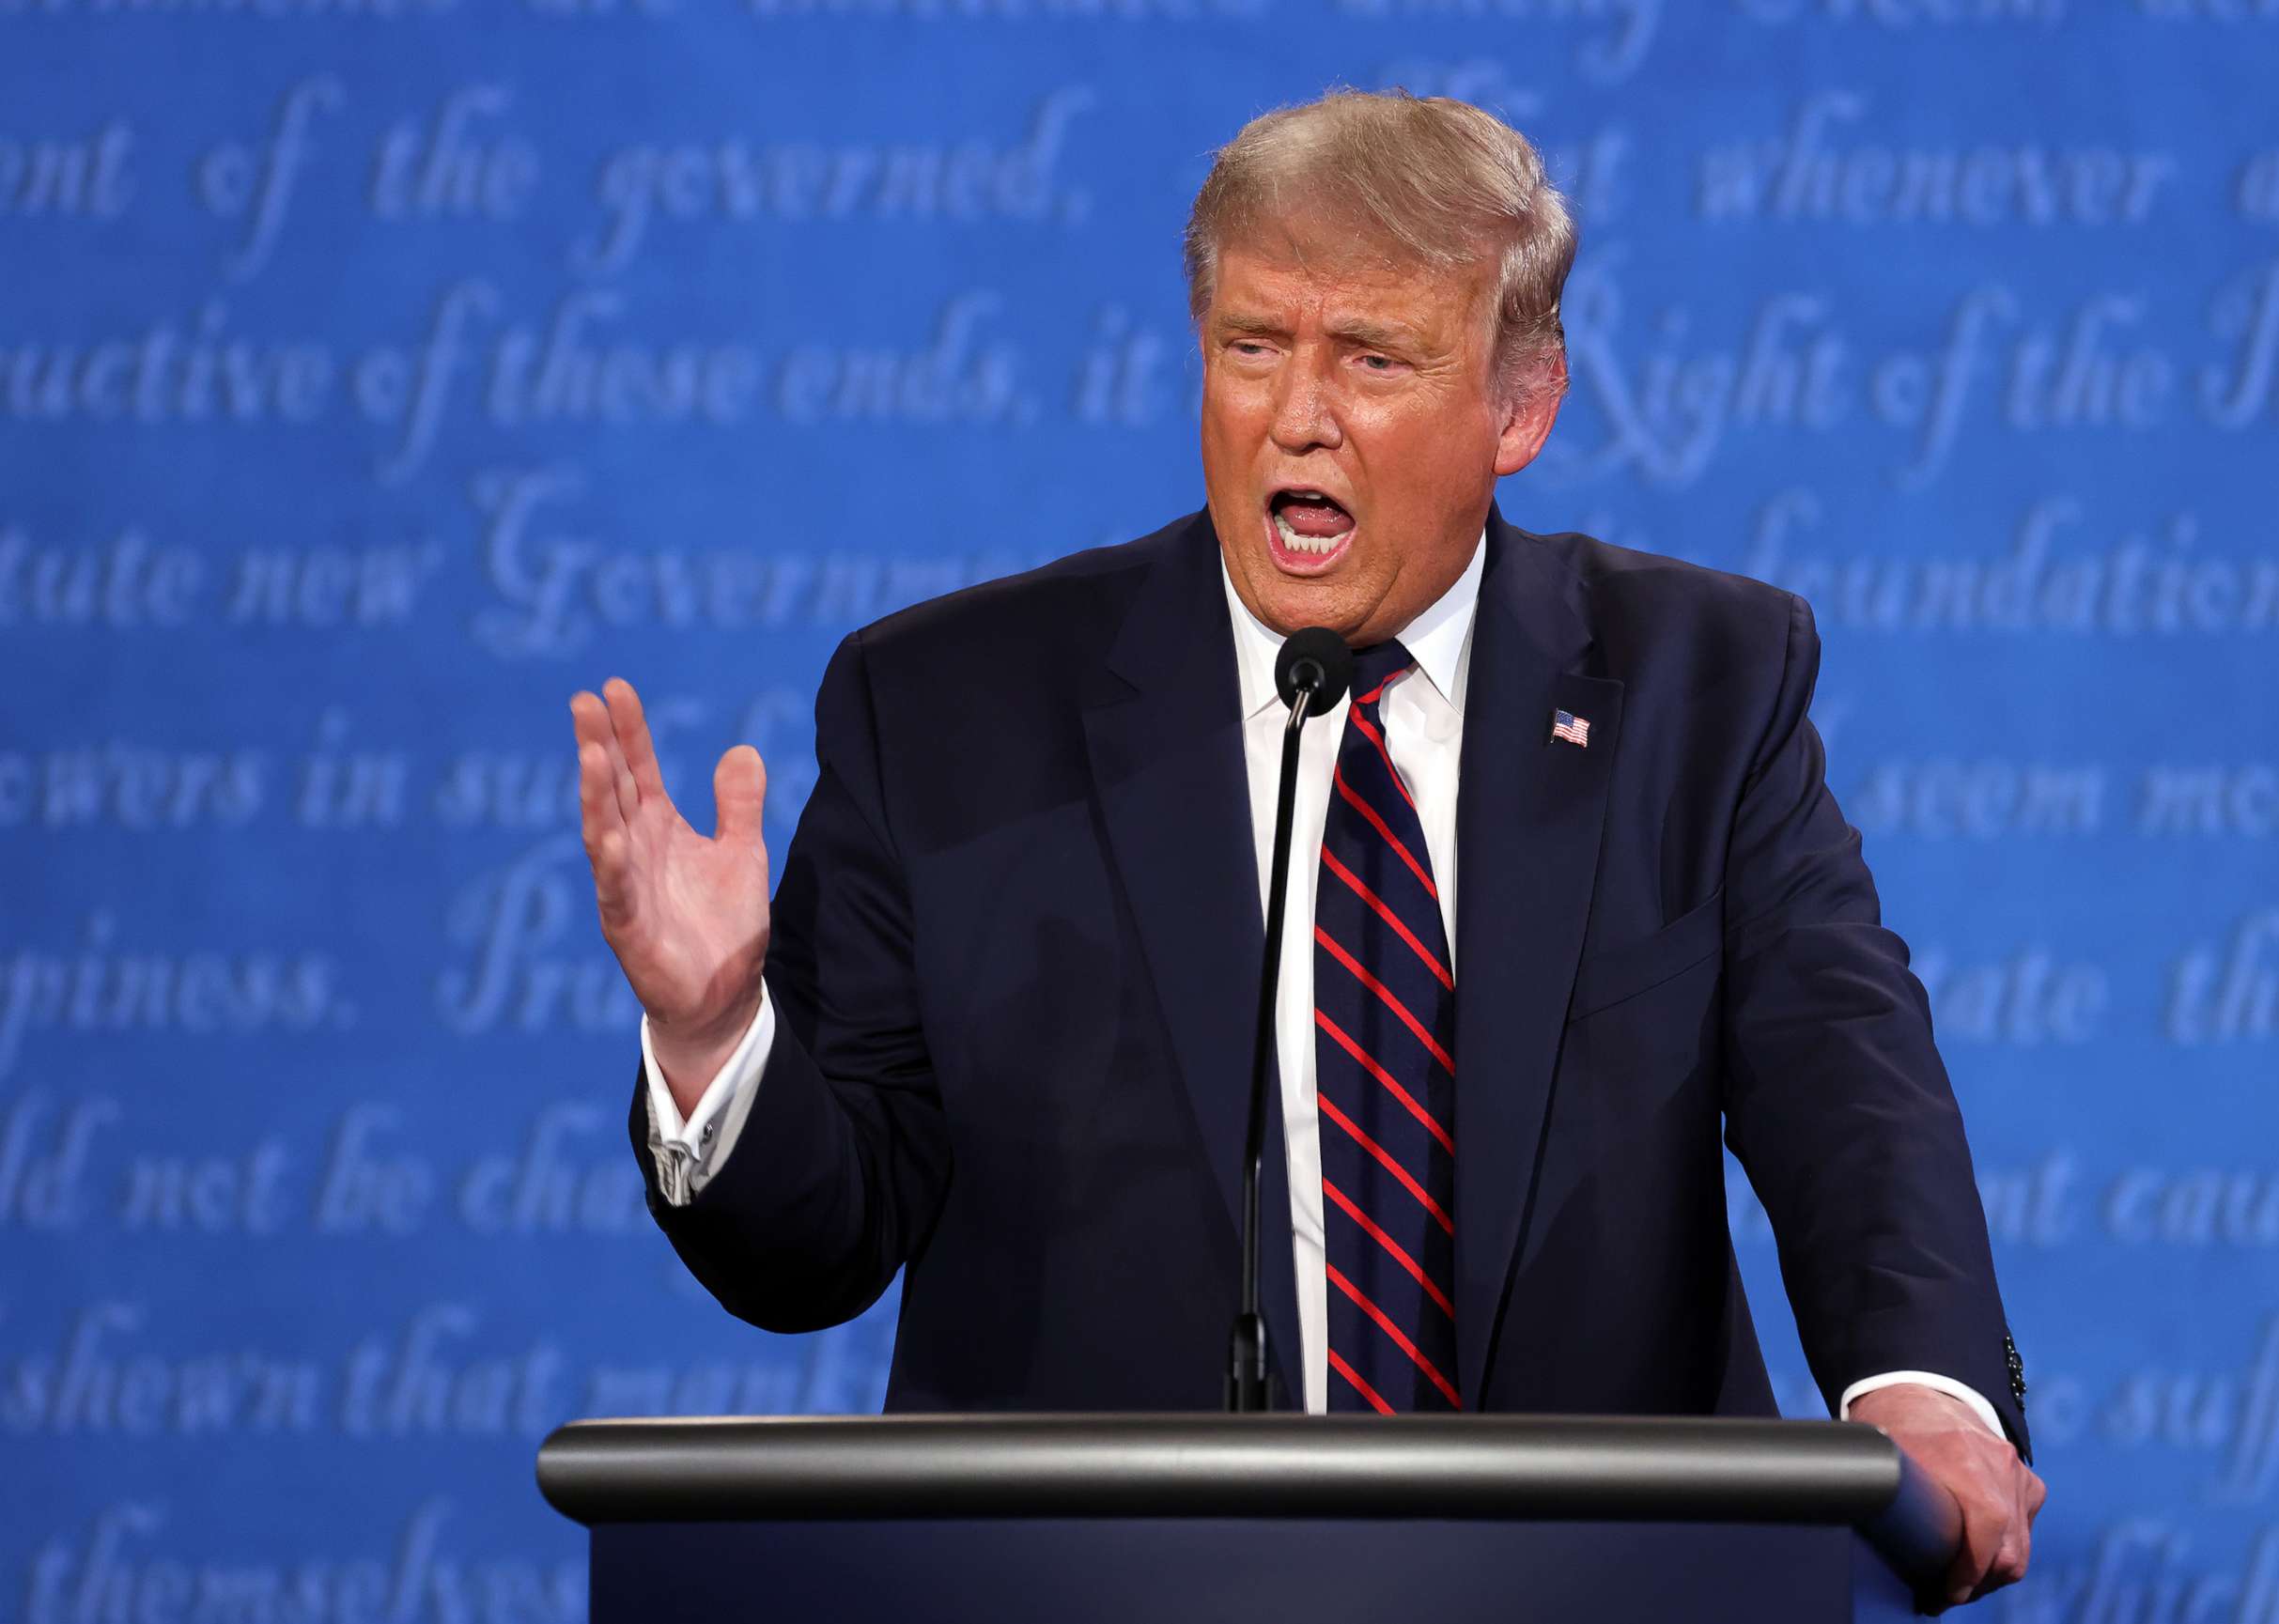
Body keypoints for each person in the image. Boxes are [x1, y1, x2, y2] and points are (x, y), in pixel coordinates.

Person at [569, 89, 2045, 1606]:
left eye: (1374, 359)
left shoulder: (1700, 686)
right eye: (1252, 347)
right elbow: (816, 1243)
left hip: (1603, 1588)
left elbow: (1843, 1075)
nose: (1296, 416)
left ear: (1519, 406)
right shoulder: (948, 710)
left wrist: (1923, 1389)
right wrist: (713, 1035)